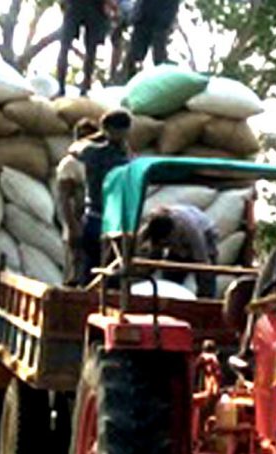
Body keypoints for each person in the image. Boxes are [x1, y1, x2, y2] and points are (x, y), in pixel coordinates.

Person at [56, 112, 133, 285]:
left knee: (93, 273)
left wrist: (100, 135)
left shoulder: (92, 152)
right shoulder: (127, 159)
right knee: (107, 272)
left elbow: (75, 147)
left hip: (98, 219)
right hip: (111, 222)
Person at [138, 204, 218, 297]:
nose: (164, 244)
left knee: (205, 277)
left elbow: (202, 260)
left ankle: (205, 304)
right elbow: (145, 250)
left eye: (166, 242)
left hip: (205, 236)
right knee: (169, 275)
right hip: (178, 243)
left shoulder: (190, 230)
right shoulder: (151, 227)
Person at [56, 0, 114, 97]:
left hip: (91, 7)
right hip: (87, 6)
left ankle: (78, 89)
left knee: (69, 47)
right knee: (68, 47)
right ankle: (66, 88)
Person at [120, 0, 181, 81]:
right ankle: (126, 76)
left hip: (158, 15)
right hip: (146, 15)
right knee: (136, 54)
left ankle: (127, 75)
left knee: (157, 50)